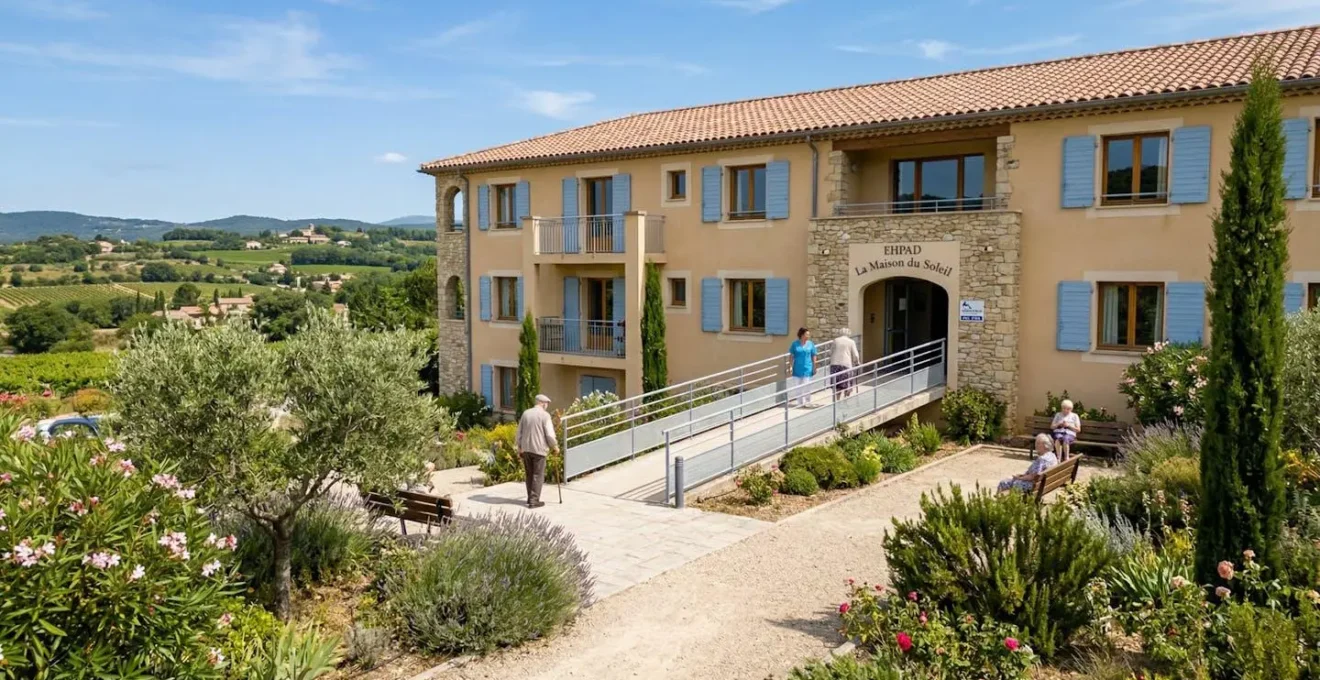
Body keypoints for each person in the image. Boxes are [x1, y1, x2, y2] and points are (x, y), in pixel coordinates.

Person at [514, 394, 558, 508]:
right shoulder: (545, 415)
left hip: (526, 449)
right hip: (539, 449)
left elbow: (519, 432)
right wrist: (554, 446)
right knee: (538, 475)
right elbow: (549, 434)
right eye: (547, 404)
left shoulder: (526, 413)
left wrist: (519, 446)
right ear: (543, 403)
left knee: (529, 474)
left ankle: (530, 498)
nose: (547, 406)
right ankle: (534, 500)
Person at [788, 327, 817, 408]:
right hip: (797, 368)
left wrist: (814, 366)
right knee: (798, 387)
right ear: (801, 335)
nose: (808, 336)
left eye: (808, 334)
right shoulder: (795, 344)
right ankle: (800, 403)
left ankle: (807, 401)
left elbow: (814, 355)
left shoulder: (810, 344)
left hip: (808, 367)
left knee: (807, 385)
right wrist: (790, 366)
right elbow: (791, 356)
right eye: (806, 334)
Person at [828, 328, 861, 397]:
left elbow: (830, 352)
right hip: (845, 365)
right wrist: (857, 362)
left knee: (836, 385)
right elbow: (855, 354)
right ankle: (845, 399)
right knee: (847, 383)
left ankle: (836, 401)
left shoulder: (836, 340)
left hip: (834, 364)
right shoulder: (851, 342)